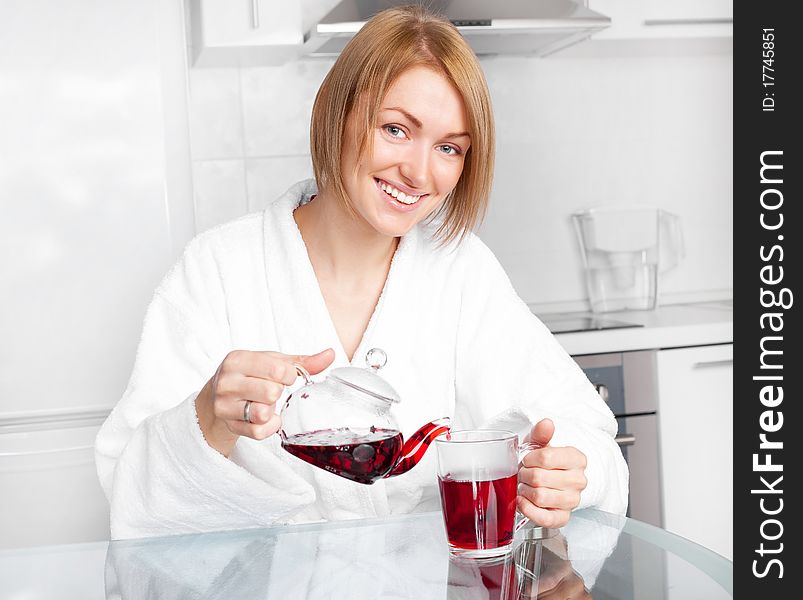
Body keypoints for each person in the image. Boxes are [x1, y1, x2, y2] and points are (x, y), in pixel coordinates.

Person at [95, 4, 629, 540]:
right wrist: (207, 419)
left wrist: (570, 474)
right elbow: (132, 496)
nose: (419, 172)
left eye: (448, 148)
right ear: (338, 112)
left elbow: (589, 438)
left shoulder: (461, 271)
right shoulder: (219, 268)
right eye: (395, 129)